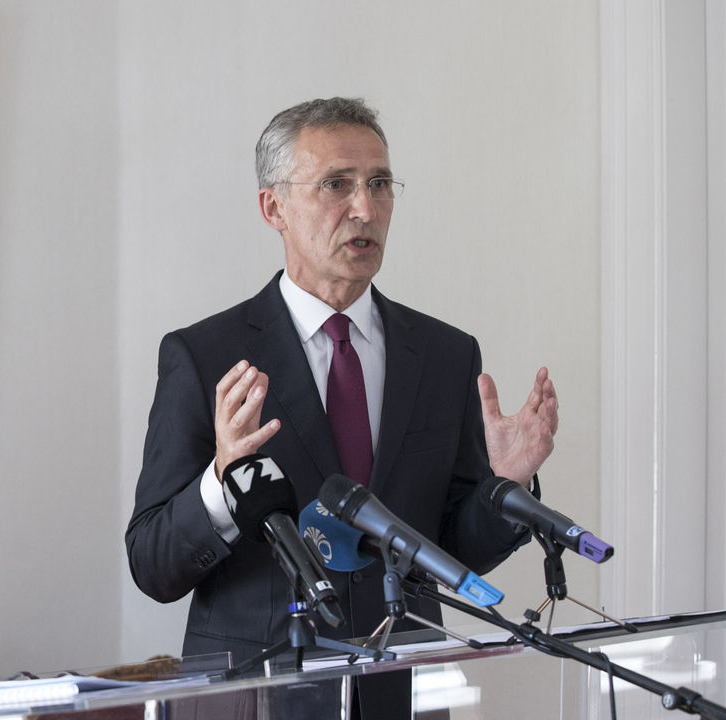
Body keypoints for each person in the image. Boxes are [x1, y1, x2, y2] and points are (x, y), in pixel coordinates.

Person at [125, 98, 558, 719]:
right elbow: (153, 565)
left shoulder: (444, 354)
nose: (366, 208)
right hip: (256, 693)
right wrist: (221, 485)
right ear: (273, 207)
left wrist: (504, 487)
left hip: (401, 689)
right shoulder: (205, 355)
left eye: (380, 185)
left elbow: (445, 549)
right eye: (337, 185)